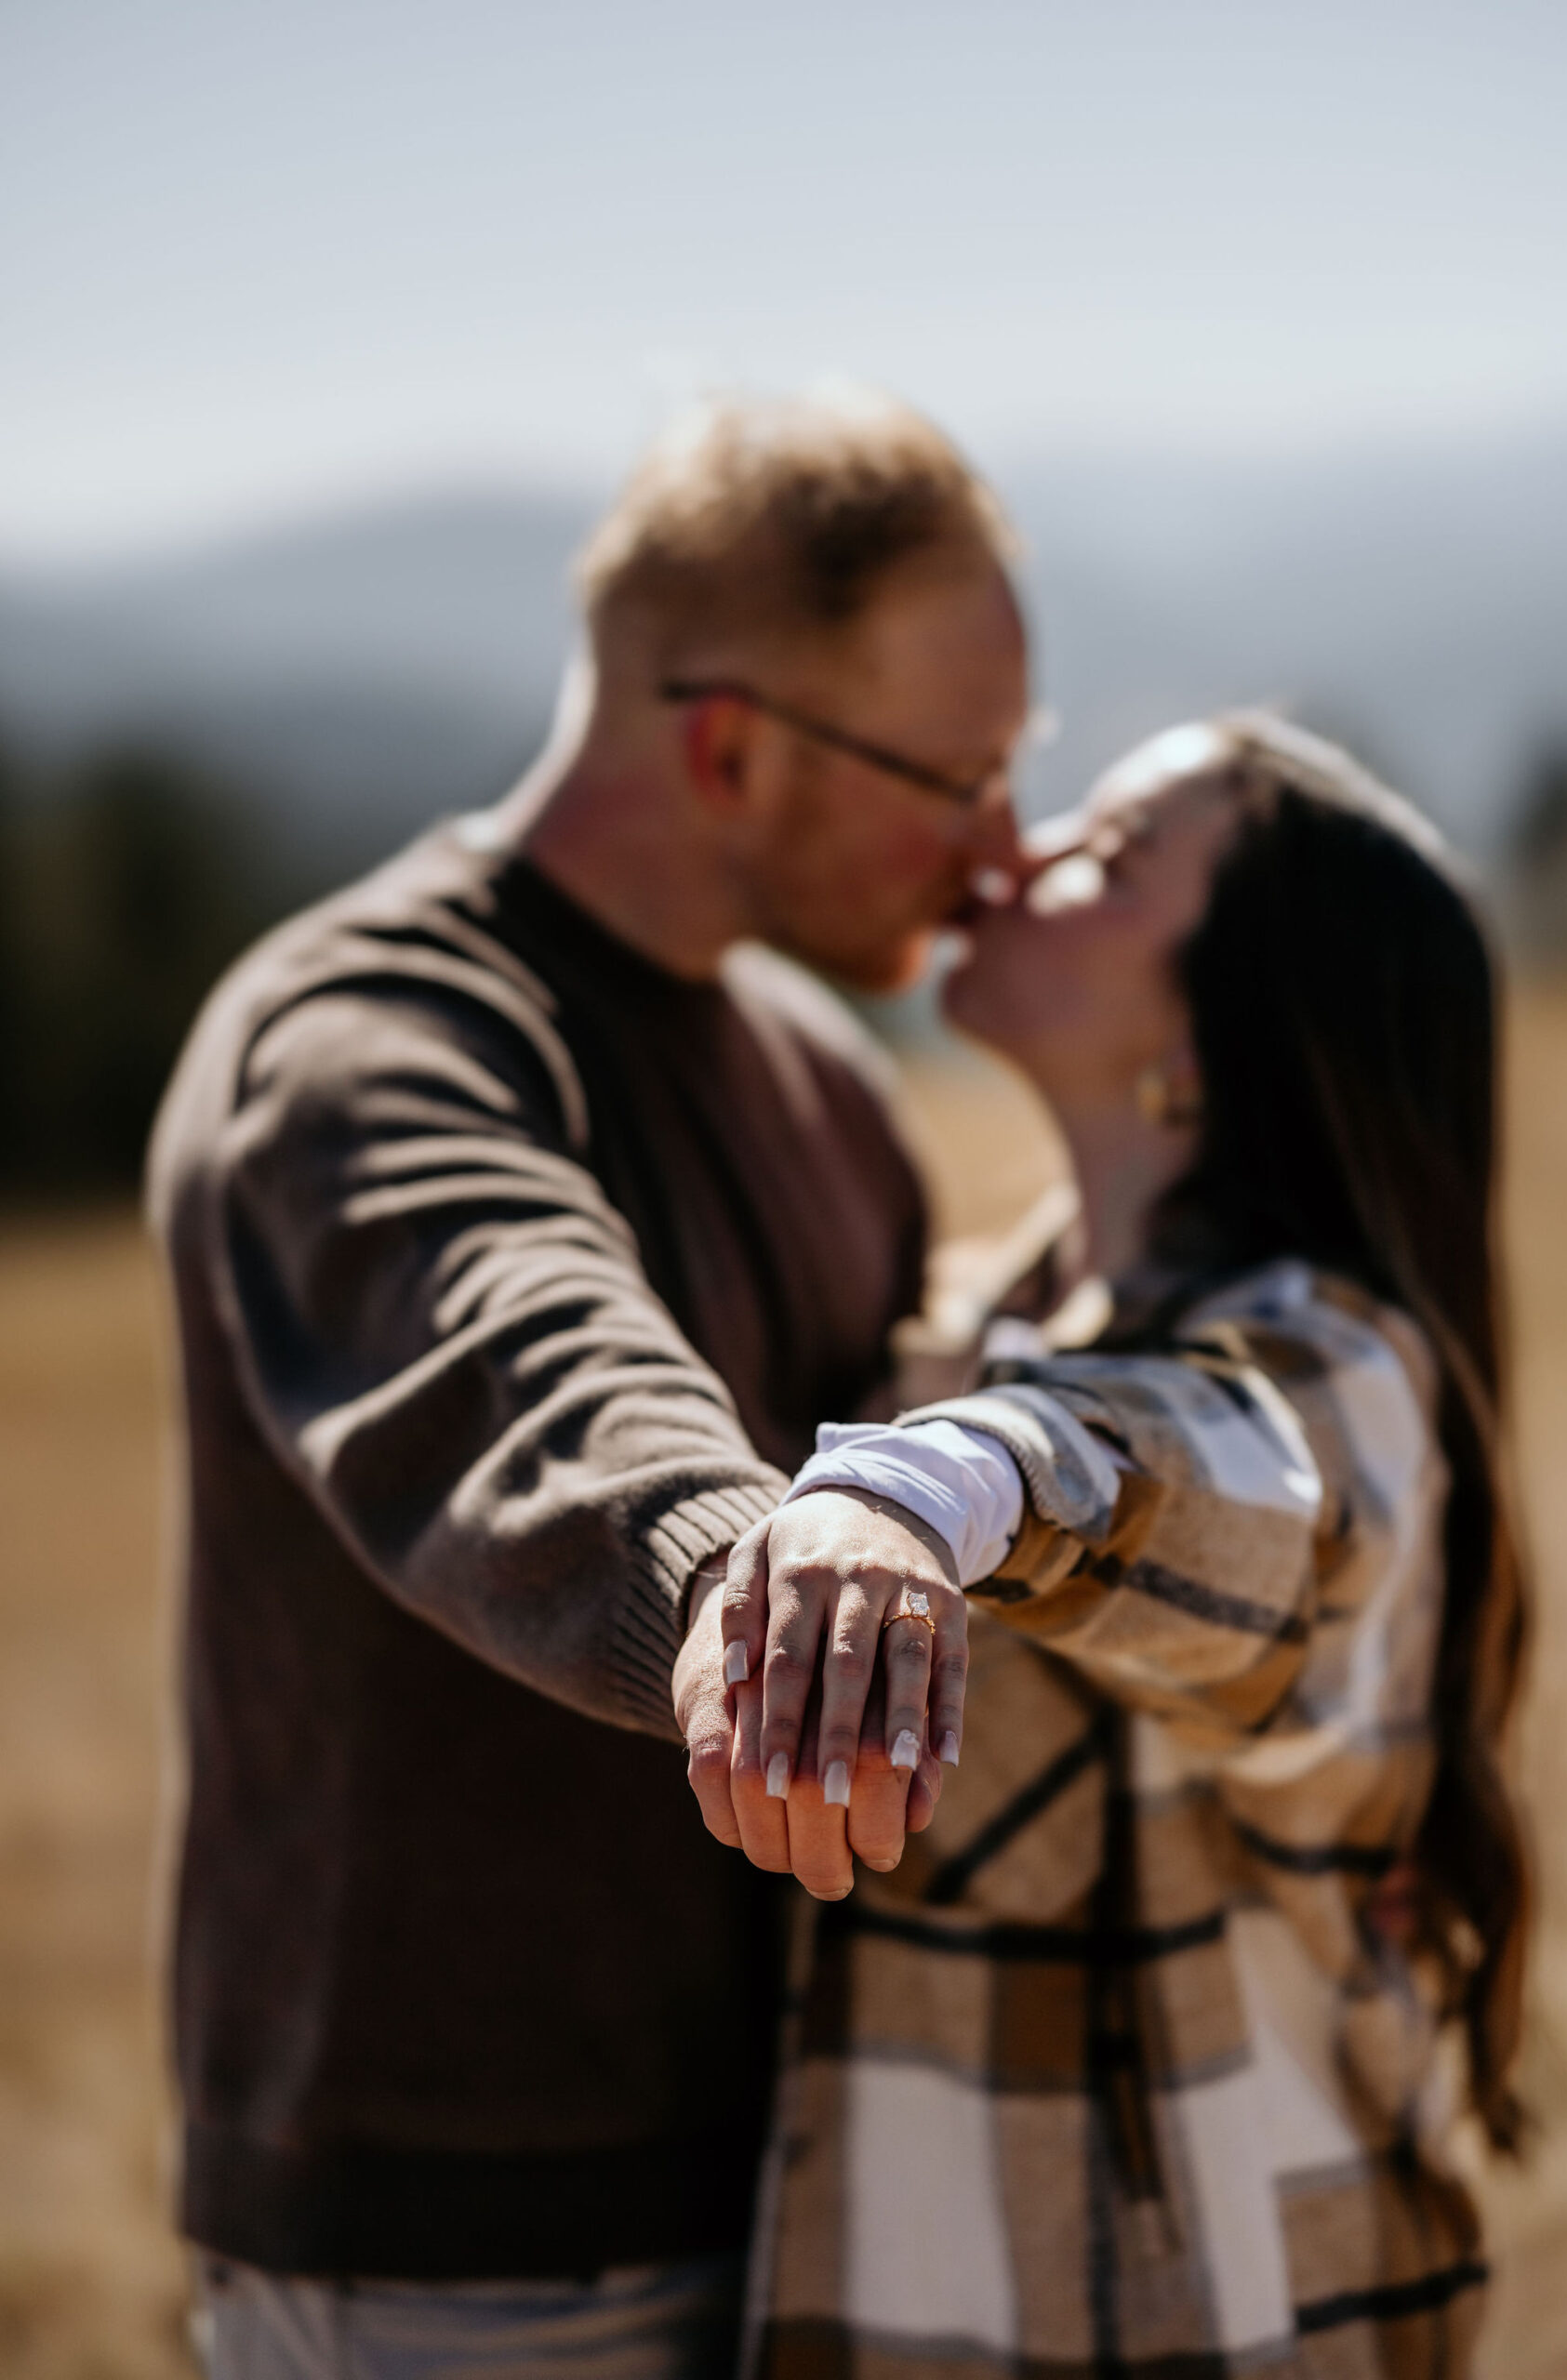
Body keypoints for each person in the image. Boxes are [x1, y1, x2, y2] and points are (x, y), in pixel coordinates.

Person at [145, 390, 1034, 2379]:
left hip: (803, 2162)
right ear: (727, 743)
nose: (1002, 850)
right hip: (459, 2249)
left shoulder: (823, 1074)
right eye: (951, 776)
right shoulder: (358, 1043)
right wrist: (754, 1579)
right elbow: (523, 1359)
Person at [676, 718, 1529, 2376]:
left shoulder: (1351, 1377)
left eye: (1113, 857)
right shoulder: (967, 1327)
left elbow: (1191, 1468)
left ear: (1217, 1033)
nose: (1017, 851)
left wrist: (921, 1489)